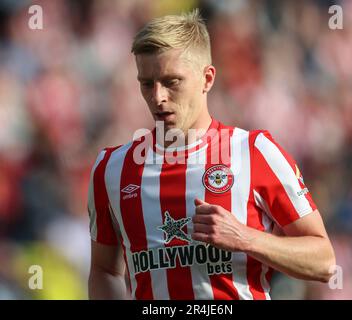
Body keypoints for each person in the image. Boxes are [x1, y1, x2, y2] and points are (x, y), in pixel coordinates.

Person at [87, 9, 336, 300]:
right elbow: (105, 270)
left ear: (207, 79)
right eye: (146, 83)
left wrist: (246, 239)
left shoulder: (255, 153)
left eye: (171, 82)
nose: (158, 97)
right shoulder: (112, 169)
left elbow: (325, 261)